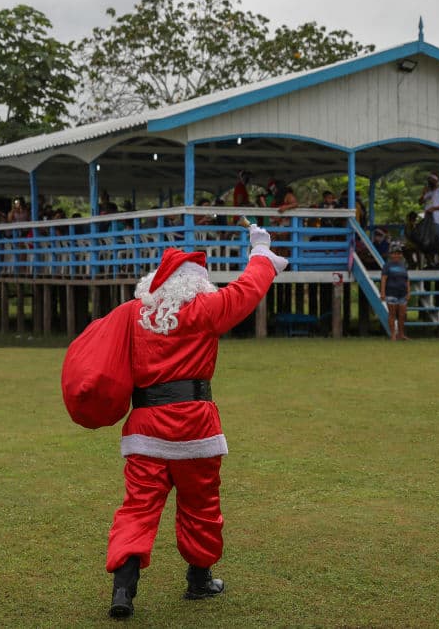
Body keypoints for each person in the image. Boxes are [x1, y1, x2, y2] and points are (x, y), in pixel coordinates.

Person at [105, 230, 289, 619]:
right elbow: (248, 288)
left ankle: (123, 590)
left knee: (137, 508)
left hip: (144, 427)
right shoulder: (204, 308)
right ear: (195, 282)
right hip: (195, 425)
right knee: (200, 505)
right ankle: (199, 580)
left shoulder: (132, 314)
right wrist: (259, 250)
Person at [380, 241, 410, 340]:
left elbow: (407, 279)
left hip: (402, 293)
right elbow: (384, 279)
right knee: (392, 314)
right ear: (391, 254)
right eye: (394, 253)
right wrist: (383, 292)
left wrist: (408, 292)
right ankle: (393, 334)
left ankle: (401, 334)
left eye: (398, 253)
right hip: (391, 292)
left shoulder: (403, 265)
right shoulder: (387, 266)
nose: (396, 255)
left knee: (402, 315)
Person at [419, 173, 439, 267]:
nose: (430, 182)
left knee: (437, 240)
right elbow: (420, 202)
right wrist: (423, 193)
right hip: (427, 220)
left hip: (436, 220)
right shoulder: (428, 192)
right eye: (429, 180)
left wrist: (435, 208)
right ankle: (430, 262)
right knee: (427, 240)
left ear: (436, 182)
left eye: (432, 180)